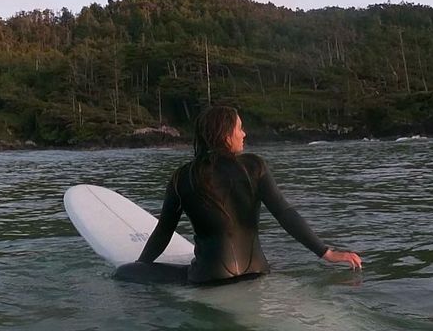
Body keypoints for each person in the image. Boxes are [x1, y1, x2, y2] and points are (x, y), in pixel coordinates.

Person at [114, 104, 362, 285]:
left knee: (123, 273)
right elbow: (285, 213)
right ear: (225, 135)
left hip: (207, 279)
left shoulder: (183, 177)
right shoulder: (253, 167)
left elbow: (164, 232)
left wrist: (142, 264)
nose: (244, 134)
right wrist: (326, 252)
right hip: (257, 272)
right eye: (240, 129)